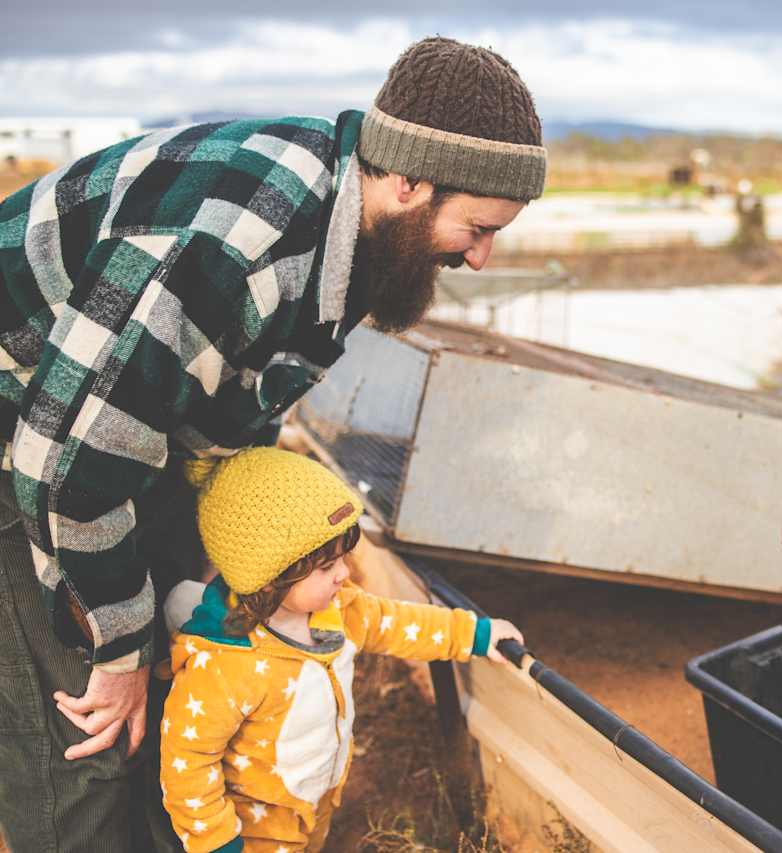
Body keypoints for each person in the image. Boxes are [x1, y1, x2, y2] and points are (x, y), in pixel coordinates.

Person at [0, 36, 545, 851]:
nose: (479, 254)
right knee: (89, 739)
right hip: (28, 446)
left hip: (101, 438)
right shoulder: (231, 247)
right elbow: (68, 468)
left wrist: (203, 571)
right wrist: (116, 645)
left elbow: (217, 414)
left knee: (170, 679)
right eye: (475, 226)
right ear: (408, 179)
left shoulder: (360, 238)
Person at [155, 448, 522, 853]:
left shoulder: (337, 612)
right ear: (269, 579)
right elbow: (187, 762)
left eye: (343, 559)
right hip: (256, 829)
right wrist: (217, 842)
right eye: (327, 568)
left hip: (318, 801)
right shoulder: (225, 665)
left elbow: (396, 622)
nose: (345, 574)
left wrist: (474, 635)